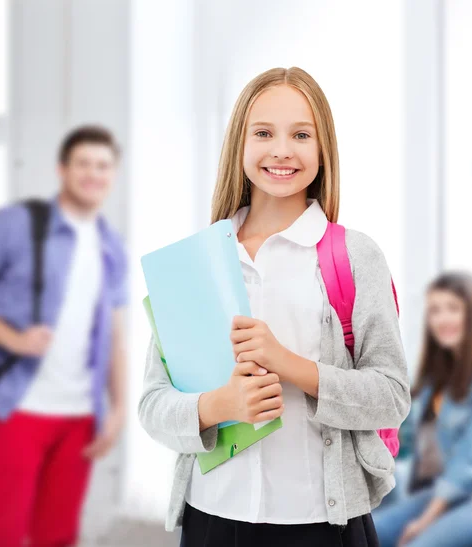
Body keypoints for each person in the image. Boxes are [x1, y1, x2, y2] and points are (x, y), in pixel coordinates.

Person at [138, 66, 410, 547]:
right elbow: (152, 405)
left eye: (301, 134)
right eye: (263, 132)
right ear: (239, 145)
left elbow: (391, 396)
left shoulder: (354, 256)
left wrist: (289, 365)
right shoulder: (196, 263)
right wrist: (218, 405)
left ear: (322, 149)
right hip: (211, 519)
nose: (281, 149)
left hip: (322, 526)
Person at [0, 125, 128, 547]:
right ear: (62, 169)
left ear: (113, 175)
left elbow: (113, 334)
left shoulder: (110, 245)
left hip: (80, 417)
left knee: (58, 537)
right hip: (18, 408)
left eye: (103, 165)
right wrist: (12, 341)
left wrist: (118, 407)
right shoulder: (17, 224)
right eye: (83, 163)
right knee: (4, 535)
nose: (93, 173)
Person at [374, 272, 472, 547]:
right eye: (435, 311)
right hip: (437, 492)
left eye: (453, 309)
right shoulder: (435, 380)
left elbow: (471, 461)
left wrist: (425, 521)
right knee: (371, 535)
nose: (442, 319)